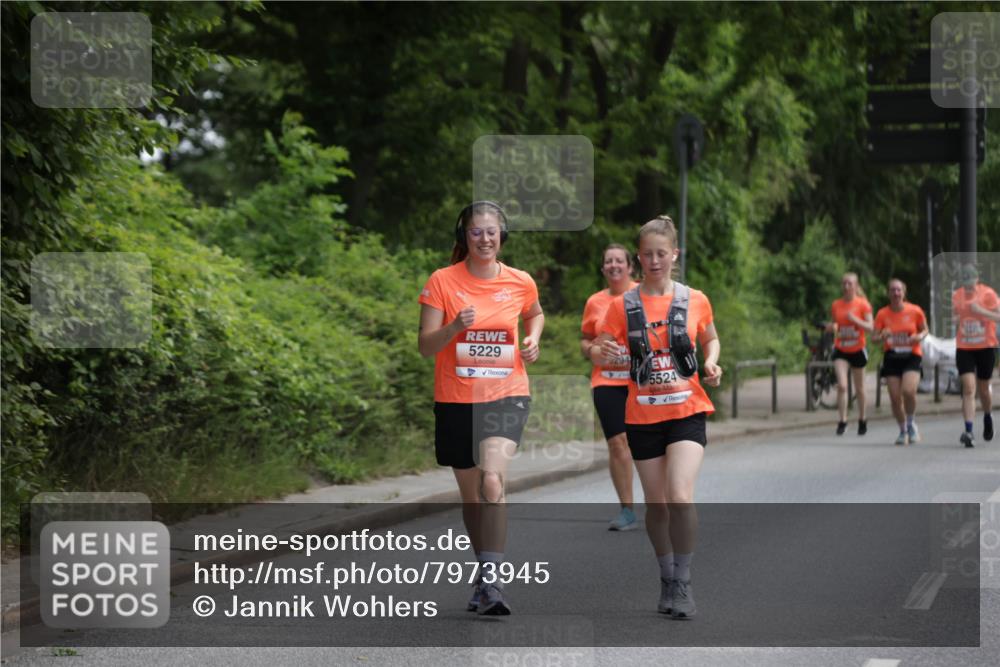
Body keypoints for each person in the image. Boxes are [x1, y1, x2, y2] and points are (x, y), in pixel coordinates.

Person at [417, 201, 544, 615]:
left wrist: (533, 339)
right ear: (464, 237)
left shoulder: (520, 281)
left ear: (501, 236)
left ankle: (493, 583)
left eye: (492, 231)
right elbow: (425, 346)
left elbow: (535, 314)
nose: (485, 238)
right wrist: (454, 328)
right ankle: (483, 569)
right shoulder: (441, 281)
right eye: (476, 232)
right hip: (455, 400)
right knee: (472, 498)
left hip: (507, 394)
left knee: (492, 481)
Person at [594, 216, 722, 619]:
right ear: (639, 257)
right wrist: (609, 353)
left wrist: (713, 363)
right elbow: (600, 347)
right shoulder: (622, 306)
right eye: (647, 254)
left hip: (687, 411)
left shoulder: (694, 299)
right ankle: (666, 576)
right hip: (643, 416)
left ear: (674, 255)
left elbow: (711, 338)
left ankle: (683, 583)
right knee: (657, 506)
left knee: (679, 496)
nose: (654, 261)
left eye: (661, 254)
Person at [581, 244, 639, 531]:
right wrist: (593, 350)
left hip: (642, 381)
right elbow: (585, 340)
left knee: (648, 444)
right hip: (606, 381)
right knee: (618, 444)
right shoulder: (595, 302)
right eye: (608, 262)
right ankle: (627, 509)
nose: (614, 265)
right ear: (603, 269)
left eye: (619, 261)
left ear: (630, 267)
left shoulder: (645, 295)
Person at [873, 278, 928, 446]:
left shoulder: (915, 311)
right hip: (892, 356)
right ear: (889, 293)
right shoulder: (882, 314)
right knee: (895, 397)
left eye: (899, 290)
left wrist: (918, 336)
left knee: (909, 391)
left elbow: (925, 329)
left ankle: (911, 424)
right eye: (892, 290)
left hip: (912, 355)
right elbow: (874, 338)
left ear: (904, 293)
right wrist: (882, 336)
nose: (896, 293)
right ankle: (903, 430)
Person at [952, 263, 1000, 448]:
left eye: (971, 278)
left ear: (977, 279)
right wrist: (960, 316)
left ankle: (987, 416)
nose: (969, 283)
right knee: (969, 388)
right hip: (964, 347)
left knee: (983, 388)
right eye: (966, 279)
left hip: (985, 347)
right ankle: (969, 430)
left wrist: (981, 312)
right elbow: (953, 318)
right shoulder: (957, 296)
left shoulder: (987, 294)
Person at [829, 272, 874, 436]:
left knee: (860, 388)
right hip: (841, 348)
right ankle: (843, 420)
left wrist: (855, 320)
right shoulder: (836, 304)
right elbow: (835, 323)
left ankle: (862, 419)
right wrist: (833, 327)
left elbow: (870, 327)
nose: (846, 286)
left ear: (855, 286)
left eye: (849, 283)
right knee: (842, 386)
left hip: (858, 349)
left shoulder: (863, 304)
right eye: (844, 283)